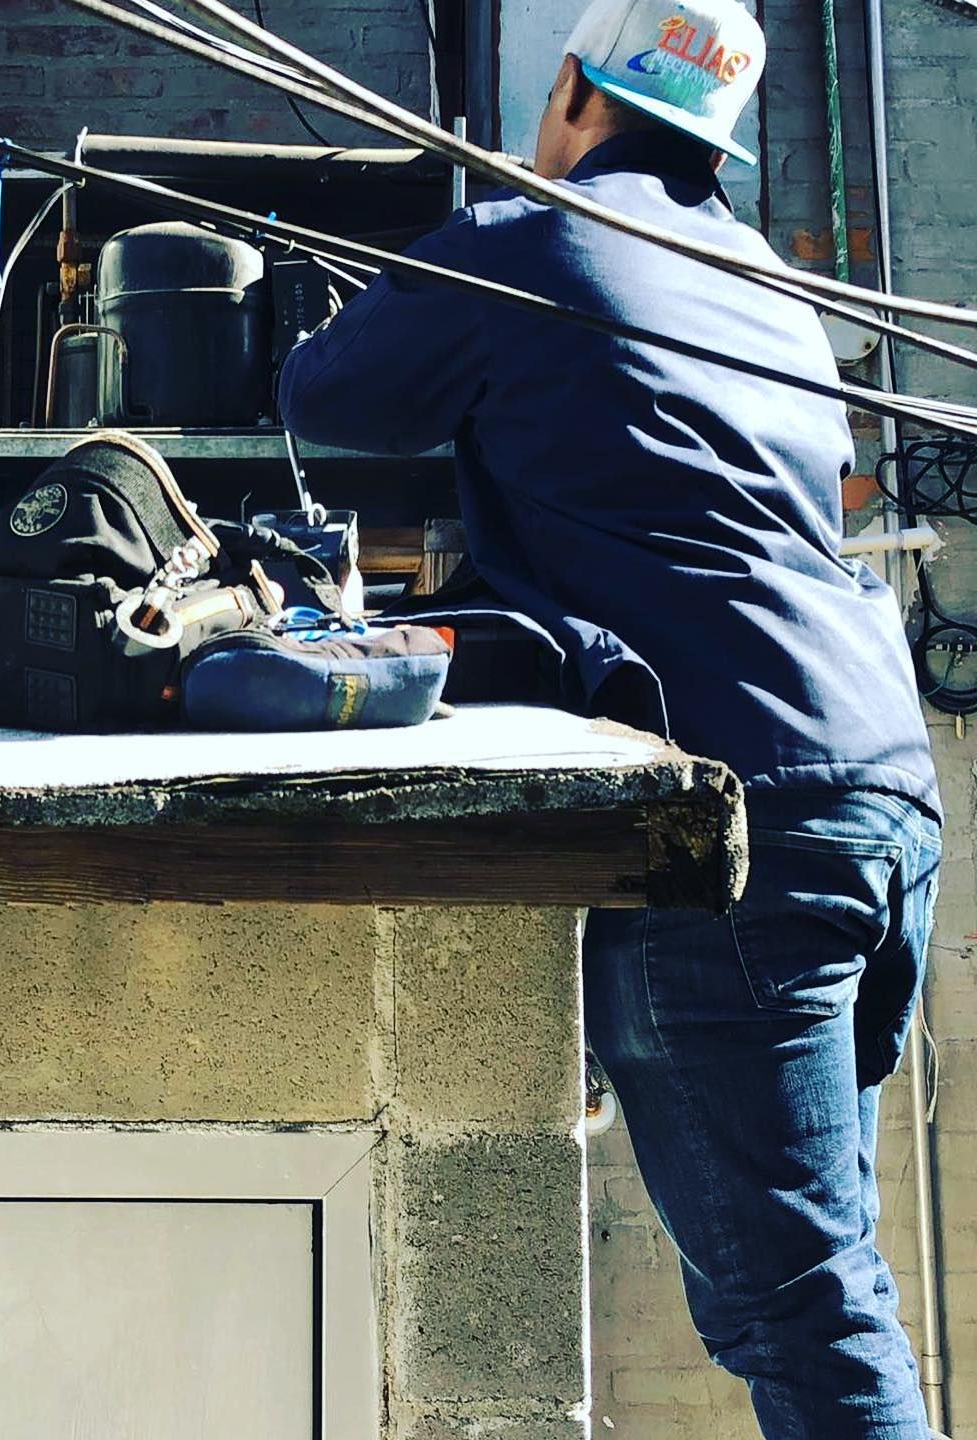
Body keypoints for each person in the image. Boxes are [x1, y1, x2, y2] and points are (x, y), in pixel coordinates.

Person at [278, 1, 944, 1436]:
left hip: (741, 823)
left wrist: (375, 287)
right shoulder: (773, 289)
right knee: (832, 1278)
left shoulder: (533, 242)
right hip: (886, 801)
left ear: (571, 86)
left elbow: (326, 397)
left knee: (800, 1306)